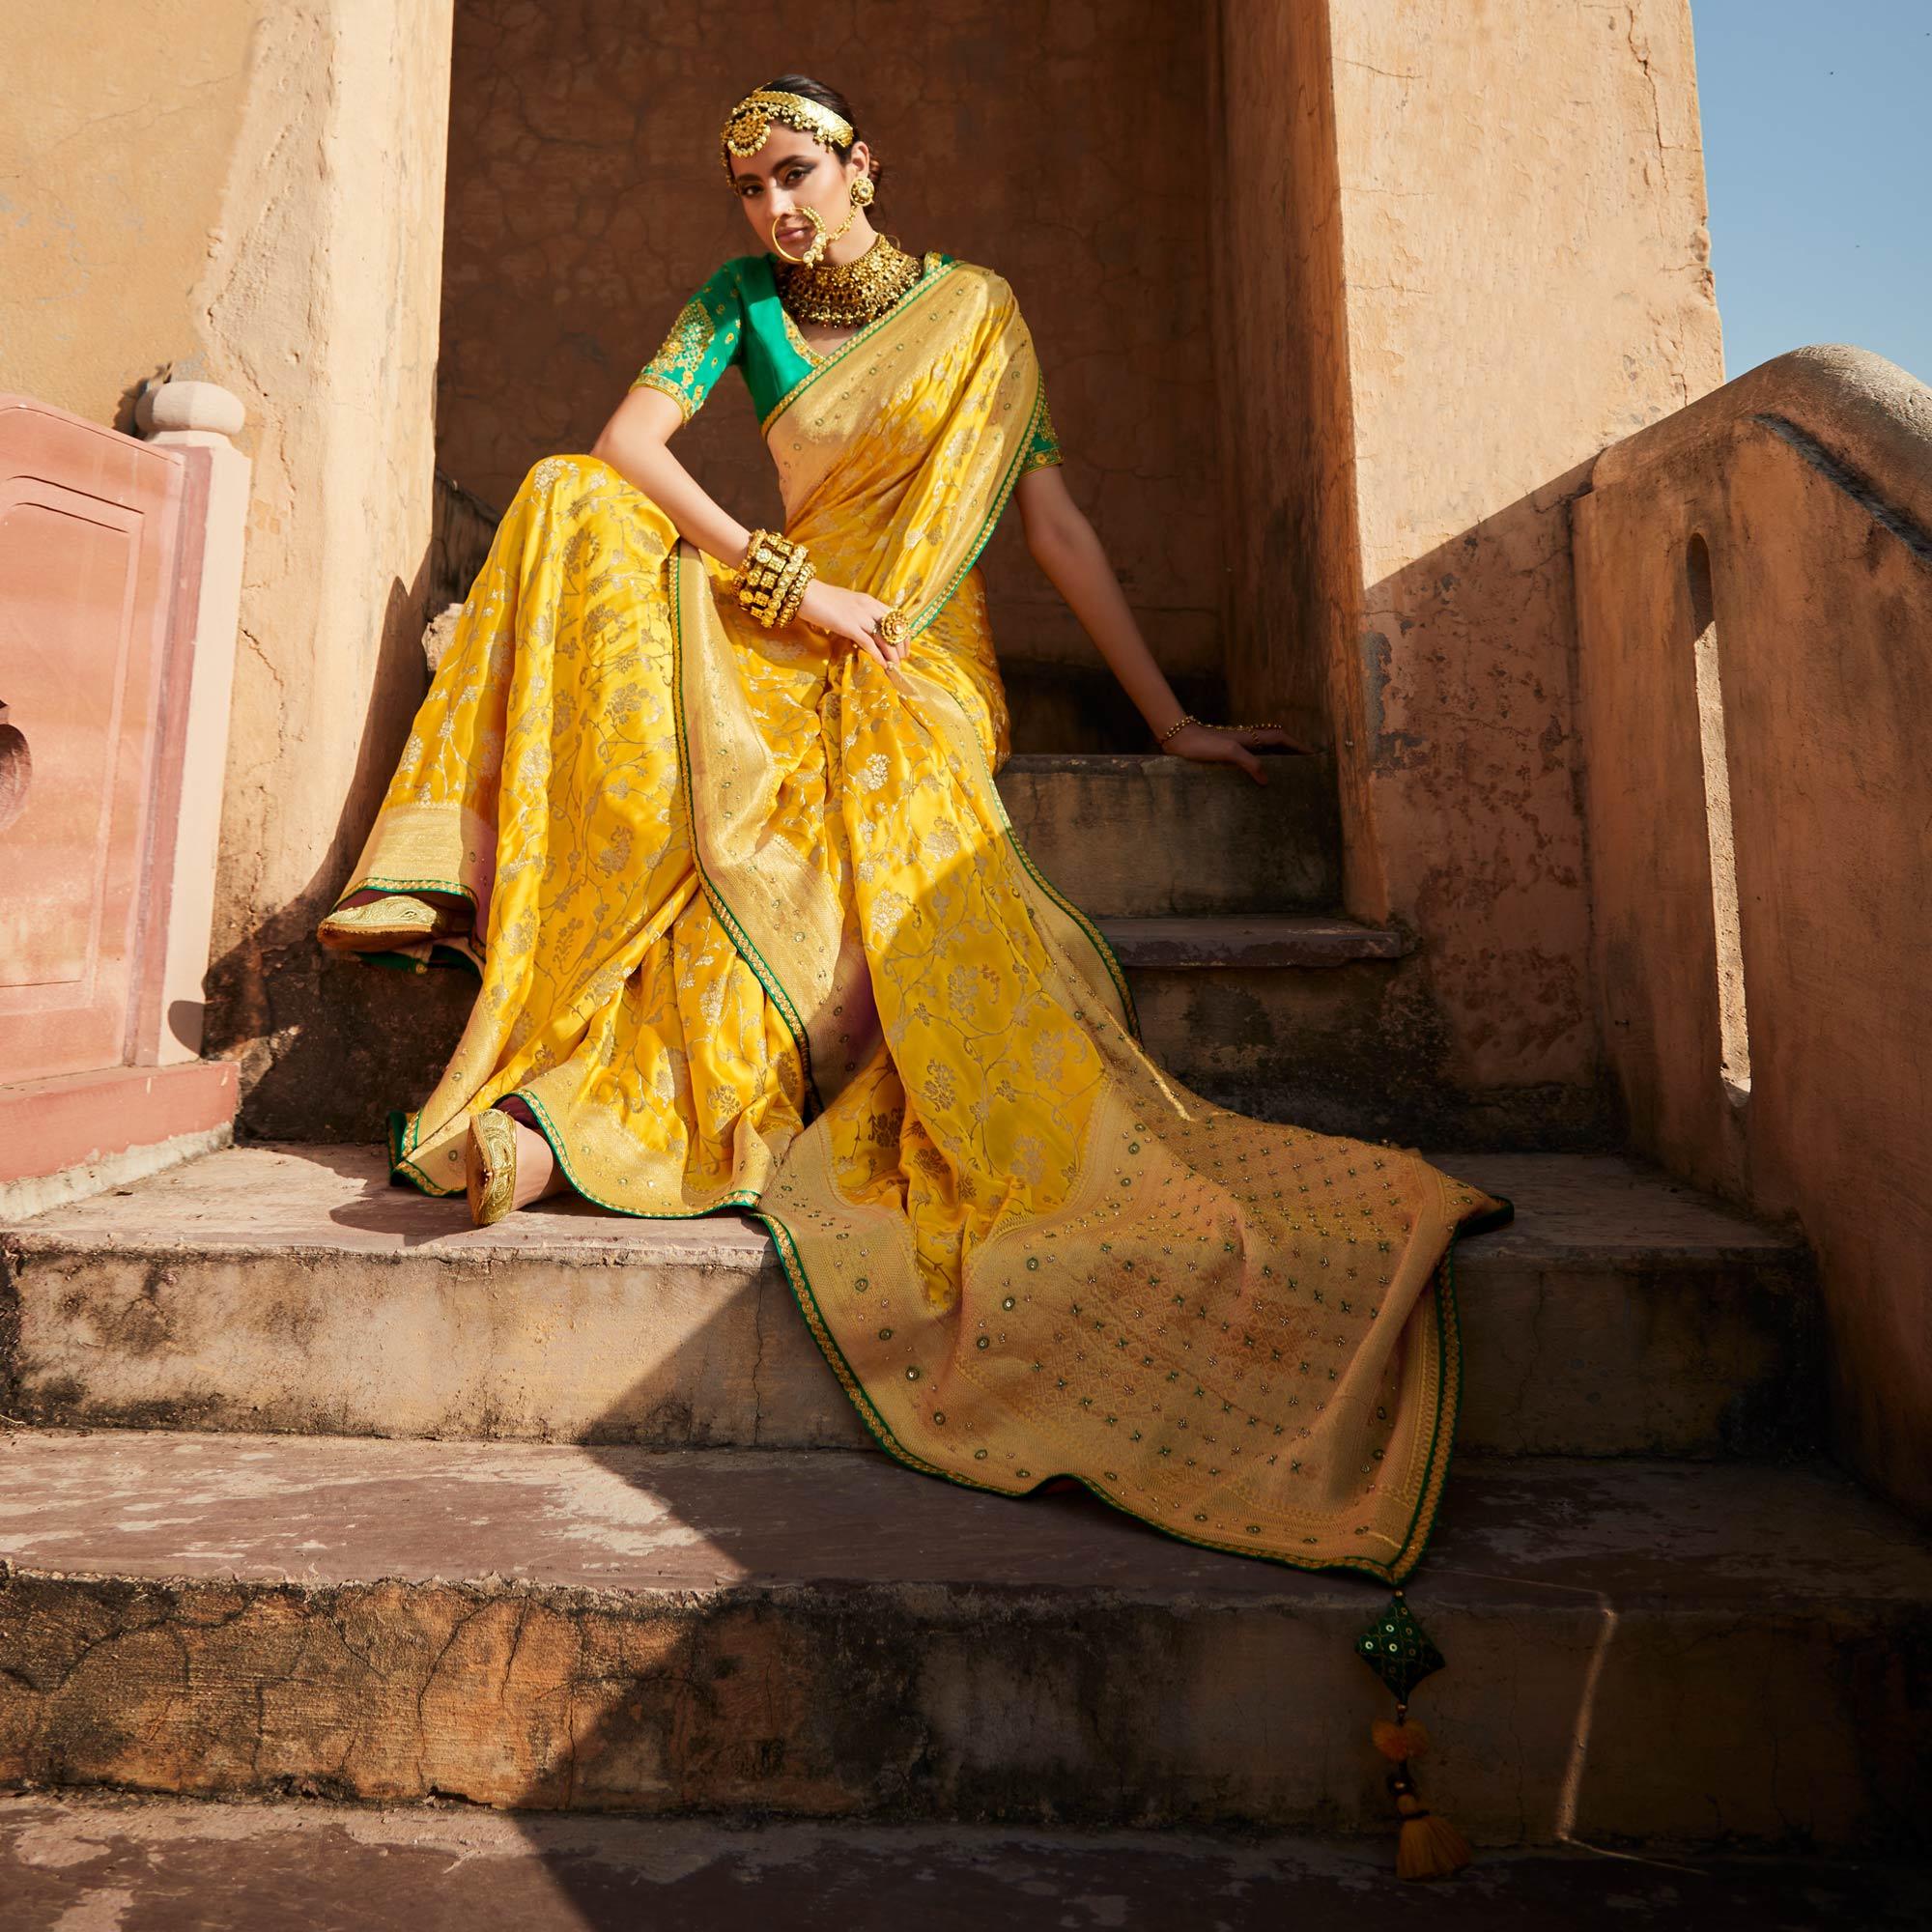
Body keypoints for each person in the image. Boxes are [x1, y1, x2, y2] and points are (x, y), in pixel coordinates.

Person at [317, 77, 1506, 1586]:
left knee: (833, 843)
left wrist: (1171, 722)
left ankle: (569, 1136)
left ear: (864, 168)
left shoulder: (978, 314)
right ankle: (504, 928)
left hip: (917, 647)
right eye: (750, 189)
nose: (776, 211)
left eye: (799, 174)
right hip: (793, 611)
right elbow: (630, 445)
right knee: (563, 499)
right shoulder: (739, 297)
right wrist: (783, 589)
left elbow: (1052, 526)